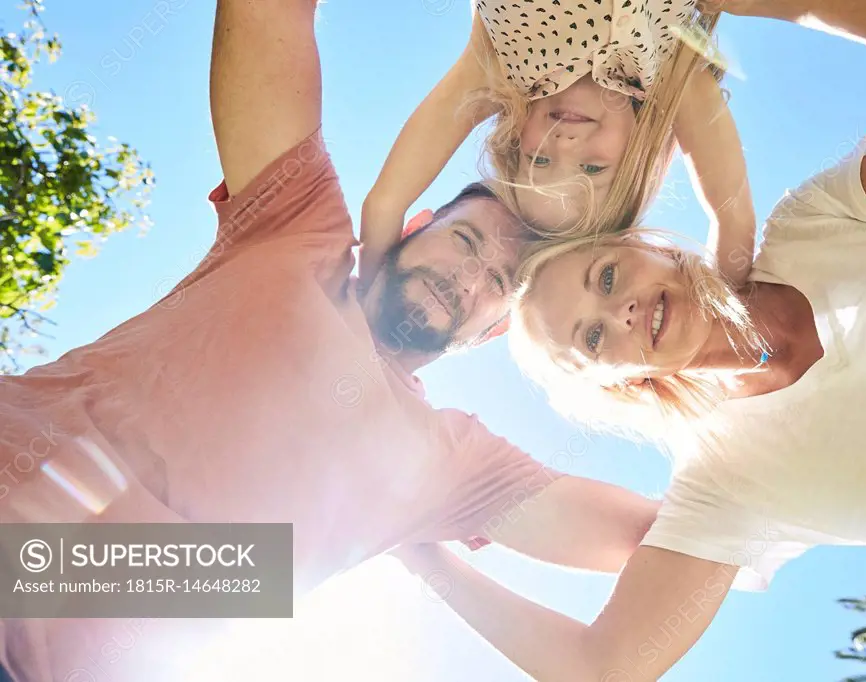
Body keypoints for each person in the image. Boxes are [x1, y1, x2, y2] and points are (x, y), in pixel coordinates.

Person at [0, 1, 660, 680]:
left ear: (495, 328)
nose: (466, 276)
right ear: (417, 223)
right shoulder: (298, 229)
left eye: (496, 281)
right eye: (463, 240)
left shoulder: (448, 463)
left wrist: (746, 353)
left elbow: (655, 538)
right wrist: (479, 70)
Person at [393, 1, 866, 680]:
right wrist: (417, 551)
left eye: (607, 277)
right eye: (597, 338)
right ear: (623, 382)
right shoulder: (725, 484)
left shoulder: (821, 222)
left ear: (652, 250)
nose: (626, 310)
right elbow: (603, 667)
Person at [359, 0, 759, 292]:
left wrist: (362, 301)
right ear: (637, 162)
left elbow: (384, 204)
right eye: (591, 169)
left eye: (540, 159)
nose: (565, 143)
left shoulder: (498, 67)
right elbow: (734, 222)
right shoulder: (669, 72)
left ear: (516, 139)